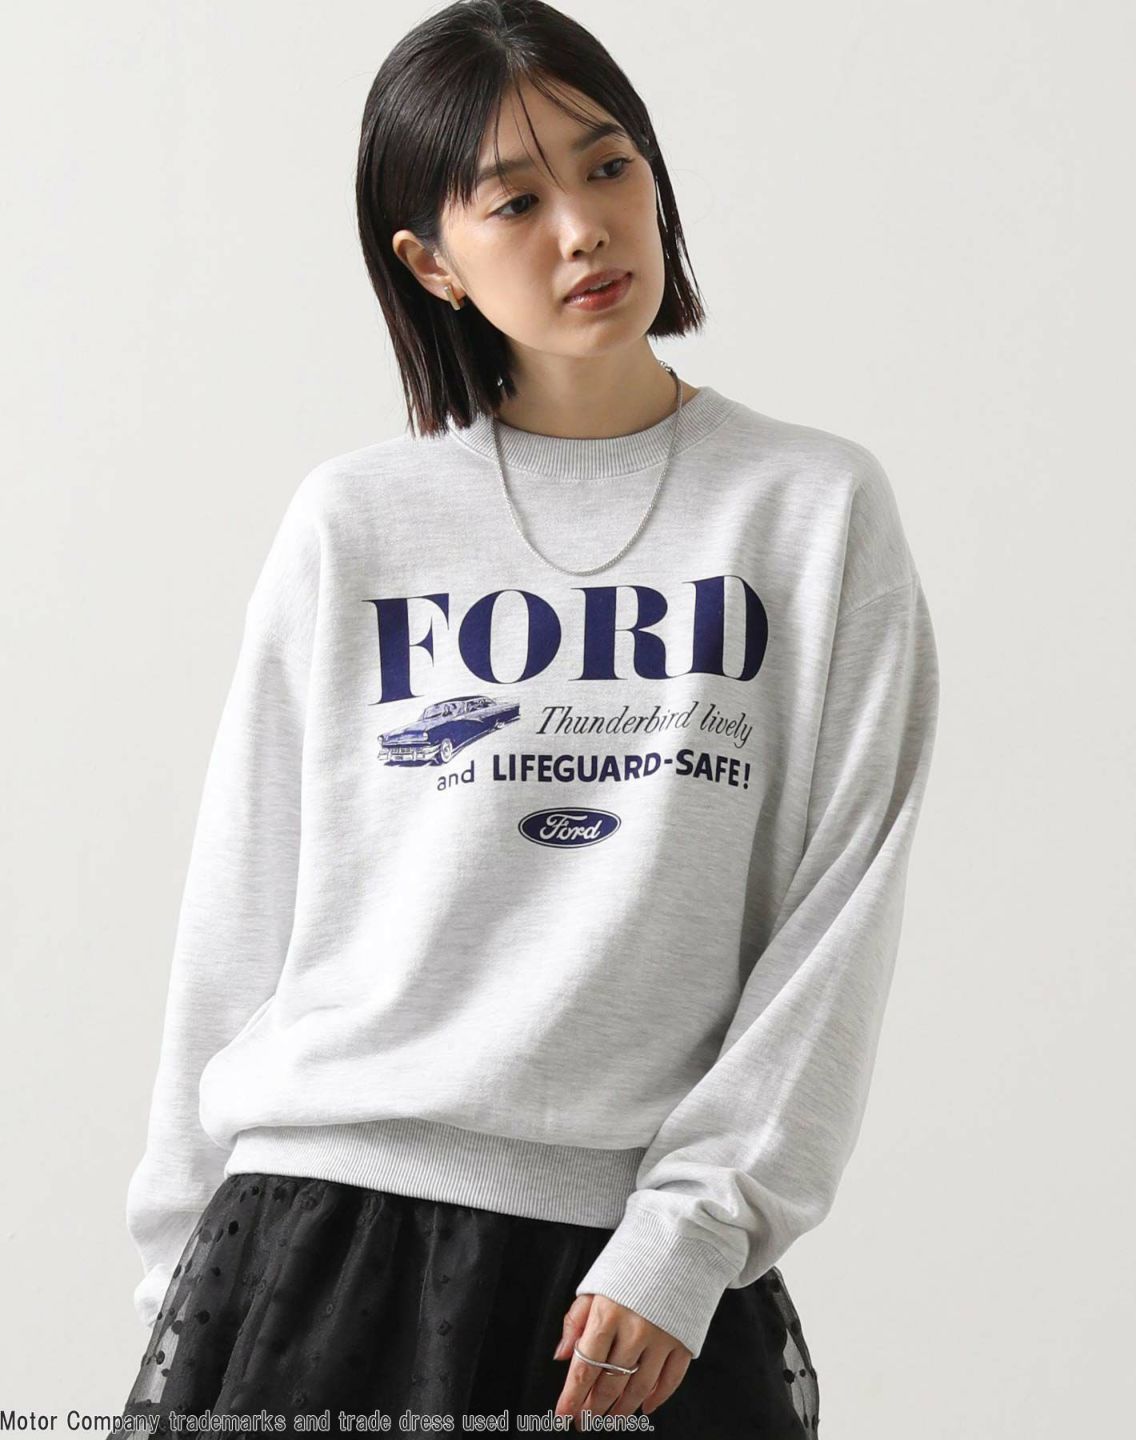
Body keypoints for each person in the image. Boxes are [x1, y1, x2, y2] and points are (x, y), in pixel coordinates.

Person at [109, 2, 940, 1436]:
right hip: (324, 1234)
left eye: (610, 167)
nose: (585, 228)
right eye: (515, 202)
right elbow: (241, 906)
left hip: (631, 1269)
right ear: (430, 262)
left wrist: (692, 1232)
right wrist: (185, 1279)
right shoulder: (357, 520)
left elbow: (838, 913)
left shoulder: (811, 510)